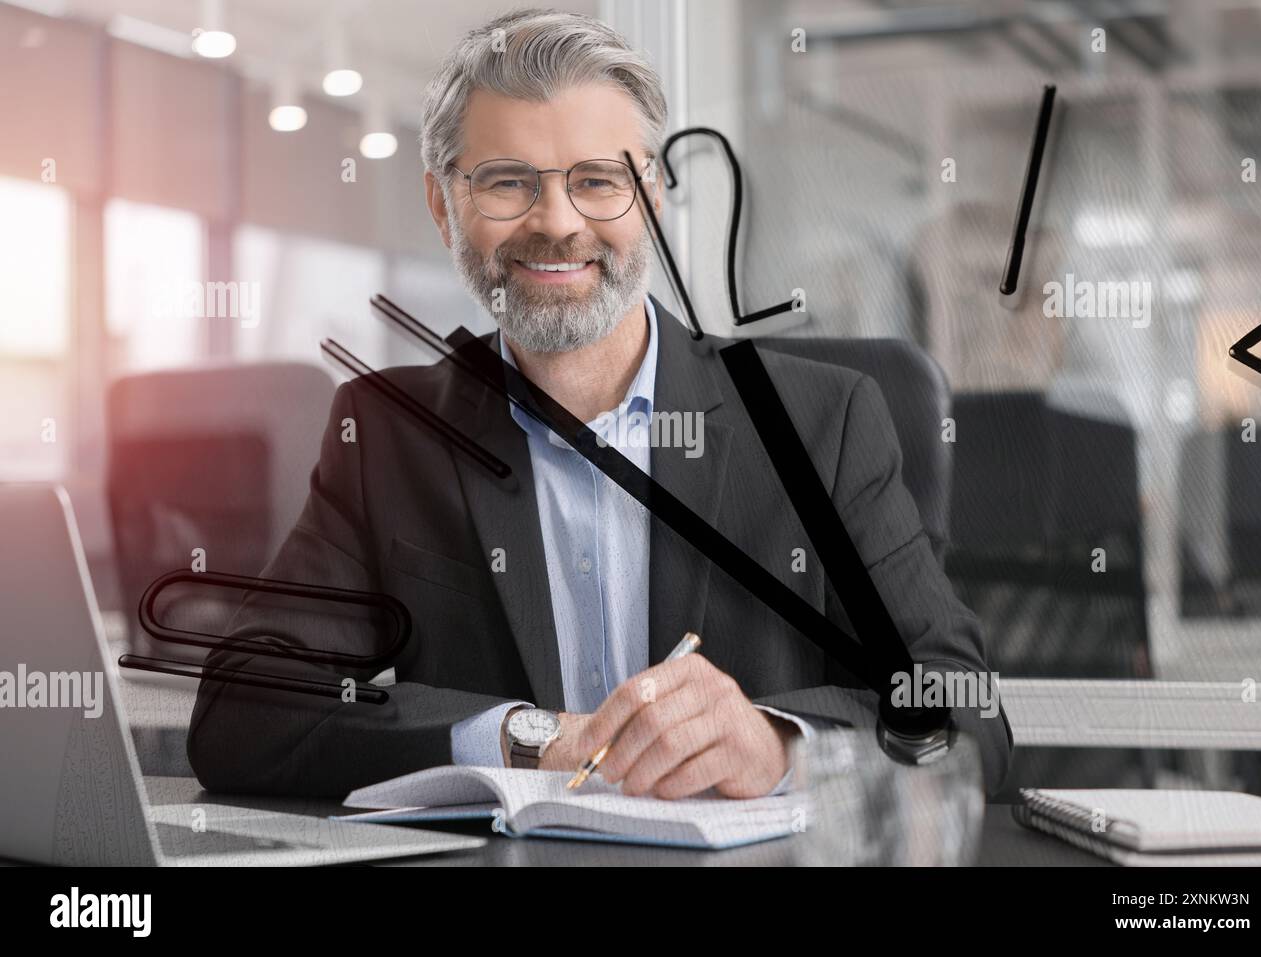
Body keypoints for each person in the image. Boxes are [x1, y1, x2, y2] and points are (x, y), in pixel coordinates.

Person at [188, 7, 1011, 800]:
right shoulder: (390, 435)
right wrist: (534, 738)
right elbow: (243, 713)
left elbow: (964, 709)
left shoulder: (822, 424)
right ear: (445, 207)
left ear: (650, 197)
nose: (557, 222)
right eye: (507, 182)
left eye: (598, 180)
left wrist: (779, 743)